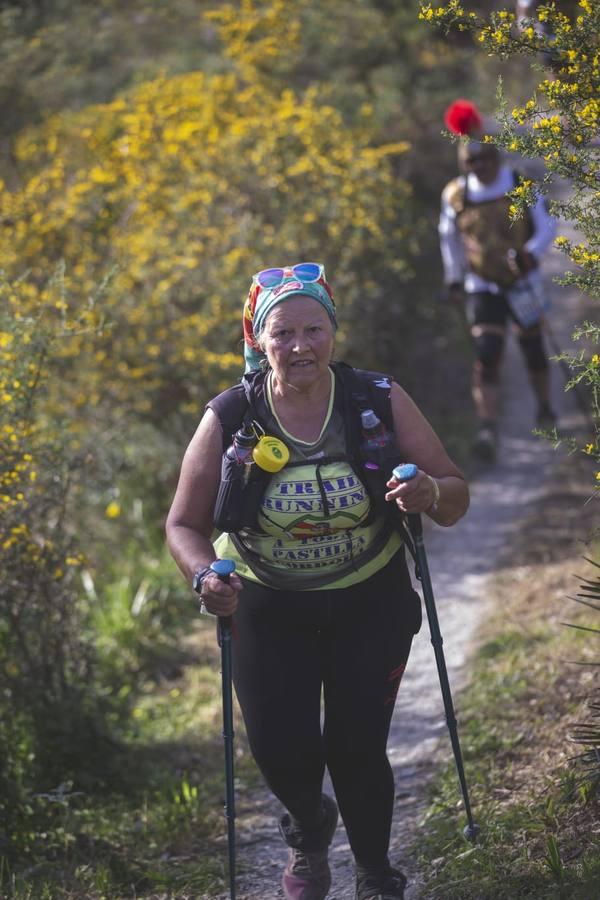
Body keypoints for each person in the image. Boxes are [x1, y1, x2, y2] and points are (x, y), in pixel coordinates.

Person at [165, 262, 470, 900]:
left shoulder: (377, 399)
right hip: (266, 604)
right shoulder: (230, 416)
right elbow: (184, 525)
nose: (300, 346)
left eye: (314, 330)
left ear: (333, 332)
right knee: (283, 751)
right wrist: (203, 579)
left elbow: (454, 495)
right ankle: (308, 827)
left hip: (370, 599)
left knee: (358, 746)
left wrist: (428, 490)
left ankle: (374, 873)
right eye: (283, 334)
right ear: (258, 338)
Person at [439, 99, 558, 461]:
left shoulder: (519, 183)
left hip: (522, 281)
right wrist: (454, 279)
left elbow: (547, 224)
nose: (481, 166)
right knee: (487, 353)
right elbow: (449, 238)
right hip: (482, 286)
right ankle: (487, 427)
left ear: (496, 158)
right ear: (465, 162)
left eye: (486, 159)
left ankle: (544, 407)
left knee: (533, 348)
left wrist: (531, 253)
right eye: (473, 161)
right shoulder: (456, 195)